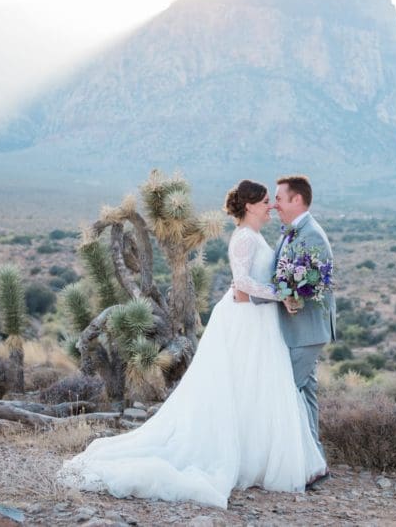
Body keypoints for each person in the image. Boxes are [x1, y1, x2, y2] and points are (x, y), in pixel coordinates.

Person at [57, 179, 326, 509]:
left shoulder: (256, 236)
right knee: (244, 385)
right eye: (267, 200)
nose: (271, 205)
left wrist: (284, 293)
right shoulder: (243, 238)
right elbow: (242, 288)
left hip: (260, 322)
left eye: (276, 200)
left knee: (255, 388)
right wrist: (282, 295)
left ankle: (257, 455)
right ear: (251, 206)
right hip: (245, 320)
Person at [242, 174, 336, 488]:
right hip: (297, 329)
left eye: (279, 199)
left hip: (306, 331)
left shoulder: (312, 235)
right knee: (305, 395)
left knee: (281, 393)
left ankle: (286, 465)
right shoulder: (292, 233)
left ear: (296, 200)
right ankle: (315, 464)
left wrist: (291, 296)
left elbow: (316, 283)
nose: (275, 205)